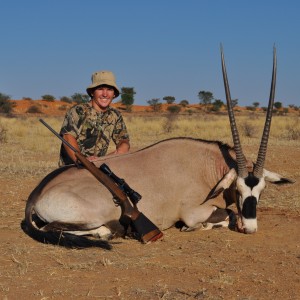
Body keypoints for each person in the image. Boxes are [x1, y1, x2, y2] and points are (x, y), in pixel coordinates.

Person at [59, 70, 130, 166]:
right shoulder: (78, 111)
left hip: (97, 169)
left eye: (109, 89)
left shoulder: (115, 115)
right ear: (92, 92)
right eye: (100, 89)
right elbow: (68, 137)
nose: (105, 94)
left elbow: (123, 140)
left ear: (114, 94)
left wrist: (121, 149)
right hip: (73, 168)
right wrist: (82, 160)